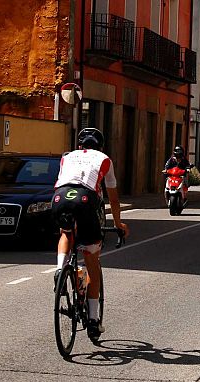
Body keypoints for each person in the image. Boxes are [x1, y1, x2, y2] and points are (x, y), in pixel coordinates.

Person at [52, 128, 129, 340]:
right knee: (91, 258)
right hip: (85, 200)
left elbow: (63, 181)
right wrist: (119, 223)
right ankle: (94, 320)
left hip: (59, 198)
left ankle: (60, 269)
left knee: (66, 233)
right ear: (101, 146)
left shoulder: (66, 157)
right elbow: (113, 199)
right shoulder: (105, 159)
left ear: (79, 146)